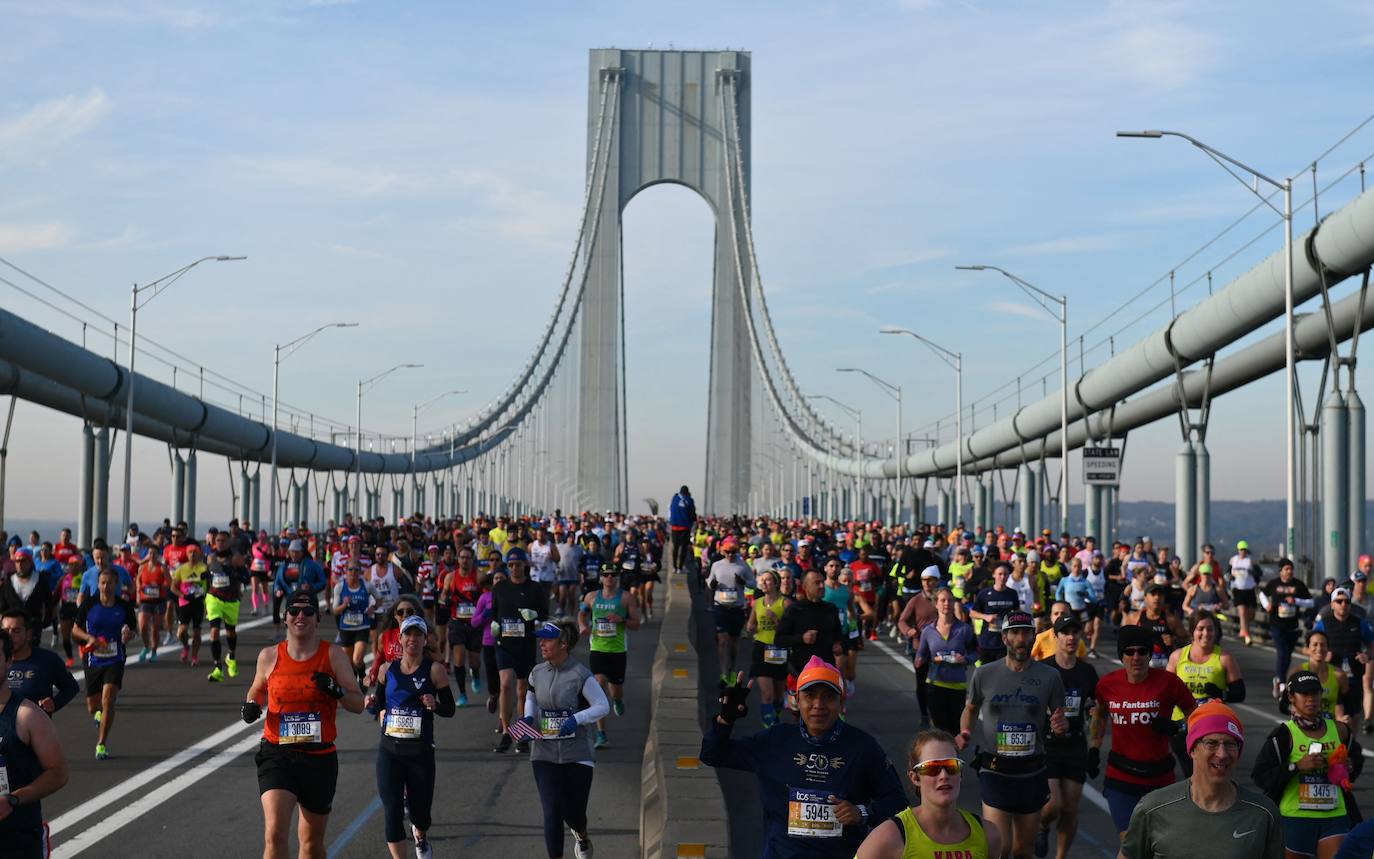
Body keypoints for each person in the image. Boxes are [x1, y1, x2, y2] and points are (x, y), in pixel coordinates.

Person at [701, 655, 907, 858]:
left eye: (828, 696)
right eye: (810, 695)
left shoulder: (863, 747)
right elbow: (713, 754)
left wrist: (861, 813)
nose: (818, 704)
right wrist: (724, 720)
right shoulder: (775, 740)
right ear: (797, 700)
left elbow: (898, 802)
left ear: (842, 702)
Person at [242, 590, 364, 859]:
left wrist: (336, 690)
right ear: (284, 617)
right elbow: (257, 690)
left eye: (308, 611)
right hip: (277, 753)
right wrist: (250, 705)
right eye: (294, 611)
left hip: (319, 758)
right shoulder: (269, 656)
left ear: (317, 618)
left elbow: (358, 703)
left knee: (310, 842)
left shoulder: (333, 656)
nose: (301, 616)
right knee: (274, 836)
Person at [956, 609, 1068, 859]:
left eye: (1026, 633)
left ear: (1033, 637)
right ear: (1005, 638)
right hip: (995, 770)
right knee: (999, 847)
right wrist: (965, 731)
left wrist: (1061, 726)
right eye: (1015, 633)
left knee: (1023, 850)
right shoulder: (984, 673)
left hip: (1031, 771)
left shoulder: (1050, 676)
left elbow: (1060, 717)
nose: (1021, 639)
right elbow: (971, 709)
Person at [1122, 700, 1283, 858]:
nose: (1222, 754)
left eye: (1230, 744)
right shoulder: (1152, 809)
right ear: (1192, 749)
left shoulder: (1264, 813)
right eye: (1211, 743)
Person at [1090, 624, 1198, 836]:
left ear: (1150, 654)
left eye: (1142, 651)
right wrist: (1094, 747)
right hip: (1121, 778)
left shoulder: (1169, 683)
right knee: (1130, 843)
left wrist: (1177, 727)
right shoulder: (1107, 685)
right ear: (1122, 656)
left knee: (1158, 843)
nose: (1136, 657)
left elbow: (1196, 716)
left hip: (1160, 778)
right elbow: (1100, 713)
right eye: (1130, 652)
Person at [513, 621, 609, 859]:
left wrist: (576, 719)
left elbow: (603, 706)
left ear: (563, 644)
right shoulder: (537, 672)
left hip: (577, 753)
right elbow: (531, 696)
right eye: (541, 639)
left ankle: (581, 833)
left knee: (574, 813)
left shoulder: (580, 674)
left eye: (547, 639)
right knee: (552, 811)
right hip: (544, 752)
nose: (542, 643)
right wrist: (527, 716)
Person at [367, 614, 455, 859]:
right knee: (392, 811)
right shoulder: (387, 670)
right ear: (400, 638)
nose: (413, 639)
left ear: (425, 640)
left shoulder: (435, 670)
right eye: (408, 634)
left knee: (420, 814)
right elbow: (378, 705)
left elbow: (450, 709)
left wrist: (434, 703)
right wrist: (372, 703)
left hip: (420, 754)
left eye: (418, 634)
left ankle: (421, 835)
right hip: (390, 752)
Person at [1251, 670, 1361, 859]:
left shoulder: (1340, 730)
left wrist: (1349, 766)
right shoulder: (1284, 734)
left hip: (1334, 815)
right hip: (1295, 817)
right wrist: (1296, 766)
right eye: (1305, 693)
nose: (1311, 699)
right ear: (1292, 697)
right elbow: (1260, 775)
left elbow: (1355, 761)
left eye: (1315, 693)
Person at [854, 729, 999, 859]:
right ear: (915, 778)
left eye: (951, 766)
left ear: (960, 774)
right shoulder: (890, 836)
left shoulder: (988, 834)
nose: (943, 775)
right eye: (932, 768)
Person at [0, 627, 70, 859]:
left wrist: (13, 799)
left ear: (9, 661)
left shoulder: (27, 715)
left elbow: (58, 772)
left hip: (17, 839)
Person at [1036, 613, 1098, 859]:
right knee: (1054, 805)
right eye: (1066, 632)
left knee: (1071, 809)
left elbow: (1096, 710)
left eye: (1075, 632)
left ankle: (1060, 856)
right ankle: (1042, 824)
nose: (1071, 637)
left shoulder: (1087, 672)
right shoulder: (1044, 670)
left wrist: (1094, 746)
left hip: (1075, 744)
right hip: (1048, 745)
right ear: (1056, 636)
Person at [1165, 610, 1245, 776]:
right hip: (1182, 725)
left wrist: (1221, 694)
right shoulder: (1177, 657)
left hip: (1211, 727)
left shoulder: (1224, 658)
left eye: (1210, 629)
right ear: (1192, 631)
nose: (1206, 633)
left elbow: (1240, 693)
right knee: (1191, 772)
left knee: (1207, 774)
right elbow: (1165, 693)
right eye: (1200, 628)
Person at [71, 567, 136, 760]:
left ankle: (101, 744)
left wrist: (128, 634)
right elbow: (75, 630)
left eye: (110, 583)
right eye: (103, 582)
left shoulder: (124, 607)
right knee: (93, 705)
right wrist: (88, 637)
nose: (106, 586)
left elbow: (132, 630)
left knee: (108, 699)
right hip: (93, 659)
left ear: (116, 585)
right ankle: (97, 714)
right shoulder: (89, 605)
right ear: (98, 584)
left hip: (115, 659)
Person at [577, 561, 640, 749]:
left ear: (617, 577)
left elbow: (636, 624)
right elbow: (581, 613)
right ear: (601, 578)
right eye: (606, 575)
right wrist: (582, 625)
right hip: (597, 649)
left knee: (615, 689)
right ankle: (601, 734)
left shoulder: (627, 598)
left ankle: (618, 699)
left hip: (618, 650)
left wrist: (622, 620)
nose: (609, 578)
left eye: (613, 574)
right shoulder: (592, 597)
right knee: (599, 687)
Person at [492, 547, 548, 753]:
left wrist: (534, 614)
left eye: (518, 564)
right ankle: (506, 732)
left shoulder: (534, 588)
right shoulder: (499, 588)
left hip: (525, 644)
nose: (515, 568)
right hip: (504, 644)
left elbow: (544, 613)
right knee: (506, 685)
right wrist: (494, 626)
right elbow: (495, 613)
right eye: (511, 565)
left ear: (525, 565)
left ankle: (521, 733)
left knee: (522, 691)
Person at [913, 587, 976, 735]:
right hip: (935, 685)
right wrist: (920, 661)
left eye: (950, 600)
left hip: (957, 686)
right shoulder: (928, 631)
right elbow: (921, 655)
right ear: (936, 604)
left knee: (955, 731)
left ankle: (953, 758)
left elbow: (975, 653)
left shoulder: (964, 629)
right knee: (940, 732)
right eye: (942, 600)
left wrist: (965, 659)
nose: (946, 603)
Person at [1313, 588, 1374, 737]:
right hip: (1331, 679)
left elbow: (1372, 646)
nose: (1343, 604)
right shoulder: (1323, 625)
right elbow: (1309, 648)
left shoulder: (1359, 624)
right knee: (1334, 715)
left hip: (1353, 678)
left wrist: (1367, 655)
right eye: (1339, 601)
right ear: (1332, 604)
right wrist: (1322, 657)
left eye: (1346, 601)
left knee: (1353, 715)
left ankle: (1350, 746)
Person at [2, 610, 79, 715]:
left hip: (35, 728)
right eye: (6, 631)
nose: (10, 636)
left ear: (28, 634)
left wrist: (54, 704)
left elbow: (71, 687)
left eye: (16, 630)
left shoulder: (48, 660)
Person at [1261, 558, 1315, 699]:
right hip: (1277, 624)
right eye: (1286, 569)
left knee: (1288, 655)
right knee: (1282, 652)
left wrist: (1296, 601)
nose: (1289, 571)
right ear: (1280, 571)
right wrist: (1266, 604)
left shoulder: (1298, 585)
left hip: (1292, 625)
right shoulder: (1274, 584)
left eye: (1291, 569)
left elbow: (1311, 602)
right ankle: (1282, 682)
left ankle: (1279, 679)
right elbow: (1262, 594)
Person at [705, 536, 754, 683]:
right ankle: (723, 672)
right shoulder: (717, 565)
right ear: (722, 550)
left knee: (734, 643)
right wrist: (712, 585)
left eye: (733, 552)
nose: (730, 555)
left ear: (737, 551)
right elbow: (709, 582)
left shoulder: (743, 565)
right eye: (727, 552)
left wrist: (743, 582)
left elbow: (753, 583)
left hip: (737, 608)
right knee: (722, 640)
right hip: (721, 607)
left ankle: (731, 668)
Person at [745, 569, 791, 728]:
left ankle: (775, 718)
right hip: (761, 649)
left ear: (776, 583)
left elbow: (790, 630)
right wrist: (750, 627)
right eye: (762, 580)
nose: (763, 583)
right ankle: (768, 727)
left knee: (778, 696)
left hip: (779, 650)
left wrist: (776, 620)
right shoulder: (757, 602)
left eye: (768, 580)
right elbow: (751, 625)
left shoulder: (785, 603)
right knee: (767, 694)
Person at [206, 530, 248, 682]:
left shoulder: (236, 558)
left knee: (230, 633)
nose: (221, 543)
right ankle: (217, 668)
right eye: (218, 540)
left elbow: (246, 578)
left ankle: (231, 655)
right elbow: (206, 578)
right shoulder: (210, 558)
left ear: (229, 542)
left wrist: (236, 573)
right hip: (214, 599)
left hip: (231, 600)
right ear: (214, 542)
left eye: (224, 540)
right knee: (214, 632)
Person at [331, 562, 378, 687]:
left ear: (360, 572)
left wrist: (373, 607)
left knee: (357, 660)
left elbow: (379, 598)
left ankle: (362, 676)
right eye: (350, 569)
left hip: (362, 627)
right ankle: (354, 686)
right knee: (349, 662)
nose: (353, 572)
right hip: (346, 628)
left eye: (356, 570)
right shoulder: (340, 587)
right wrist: (344, 605)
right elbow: (335, 610)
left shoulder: (367, 586)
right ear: (346, 571)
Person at [172, 544, 209, 666]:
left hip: (198, 603)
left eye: (195, 552)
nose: (192, 554)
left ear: (199, 554)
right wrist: (183, 595)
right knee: (182, 631)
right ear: (187, 555)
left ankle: (194, 656)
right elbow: (173, 587)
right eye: (190, 552)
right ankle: (186, 647)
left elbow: (209, 586)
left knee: (197, 632)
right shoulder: (181, 569)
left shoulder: (204, 568)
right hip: (185, 603)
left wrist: (207, 602)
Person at [134, 549, 171, 662]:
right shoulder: (143, 567)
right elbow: (138, 580)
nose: (152, 555)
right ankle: (146, 646)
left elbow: (169, 581)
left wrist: (159, 586)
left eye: (154, 553)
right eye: (150, 553)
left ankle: (154, 651)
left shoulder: (162, 567)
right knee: (143, 626)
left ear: (158, 555)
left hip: (158, 600)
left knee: (155, 628)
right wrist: (138, 593)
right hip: (145, 600)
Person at [1228, 540, 1261, 646]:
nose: (1243, 552)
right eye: (1241, 550)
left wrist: (1253, 573)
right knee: (1242, 612)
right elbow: (1228, 572)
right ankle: (1246, 634)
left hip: (1249, 589)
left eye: (1245, 550)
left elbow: (1259, 574)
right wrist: (1230, 578)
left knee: (1250, 614)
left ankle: (1245, 629)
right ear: (1238, 550)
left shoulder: (1250, 561)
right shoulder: (1233, 560)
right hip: (1238, 589)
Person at [669, 485, 697, 574]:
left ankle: (674, 567)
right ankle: (680, 568)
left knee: (675, 547)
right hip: (684, 527)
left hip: (674, 527)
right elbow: (692, 513)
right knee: (684, 548)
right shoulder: (689, 500)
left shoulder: (674, 499)